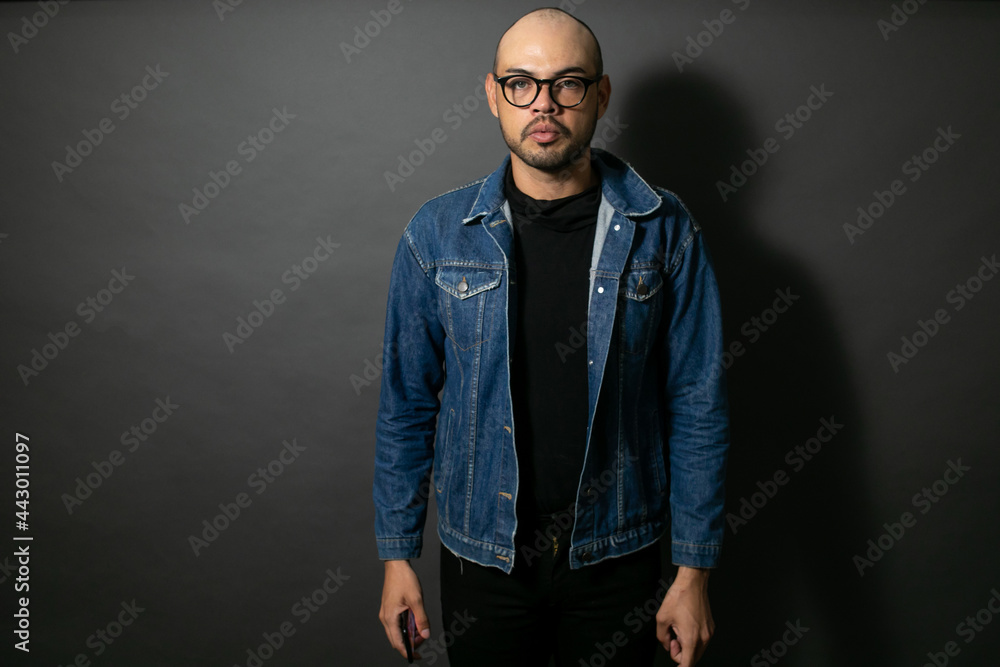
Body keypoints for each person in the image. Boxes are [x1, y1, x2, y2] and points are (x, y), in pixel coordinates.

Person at [374, 7, 729, 666]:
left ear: (601, 94)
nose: (545, 104)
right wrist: (398, 556)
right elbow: (405, 404)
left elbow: (697, 402)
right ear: (493, 94)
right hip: (482, 556)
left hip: (618, 554)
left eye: (567, 84)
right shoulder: (437, 233)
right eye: (522, 83)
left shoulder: (665, 227)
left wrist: (693, 571)